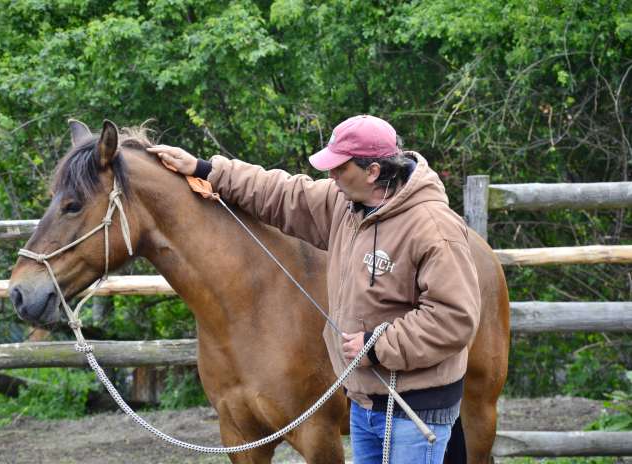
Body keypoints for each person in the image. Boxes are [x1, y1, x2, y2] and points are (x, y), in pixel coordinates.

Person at [147, 115, 480, 464]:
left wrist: (378, 346)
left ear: (373, 171)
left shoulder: (433, 228)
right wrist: (205, 168)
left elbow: (454, 317)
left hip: (415, 408)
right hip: (366, 400)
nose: (331, 175)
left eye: (339, 167)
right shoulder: (346, 206)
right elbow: (279, 192)